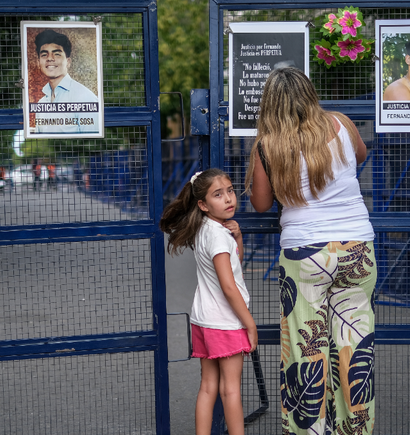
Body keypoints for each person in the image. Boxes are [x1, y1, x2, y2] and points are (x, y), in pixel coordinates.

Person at [244, 68, 377, 435]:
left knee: (307, 350)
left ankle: (310, 430)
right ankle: (355, 428)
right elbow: (361, 154)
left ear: (270, 104)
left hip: (305, 254)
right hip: (357, 248)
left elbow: (259, 203)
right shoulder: (342, 123)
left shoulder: (267, 145)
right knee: (354, 346)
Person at [159, 168, 258, 435]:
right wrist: (250, 324)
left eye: (230, 191)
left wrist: (236, 237)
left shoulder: (206, 228)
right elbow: (229, 285)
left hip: (203, 321)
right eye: (218, 194)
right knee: (230, 390)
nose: (228, 199)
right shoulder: (216, 235)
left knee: (208, 387)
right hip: (225, 323)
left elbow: (232, 267)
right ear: (203, 204)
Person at [32, 29, 100, 134]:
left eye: (57, 54)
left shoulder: (84, 97)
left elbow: (92, 143)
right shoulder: (41, 103)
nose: (50, 58)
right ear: (38, 62)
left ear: (68, 62)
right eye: (44, 54)